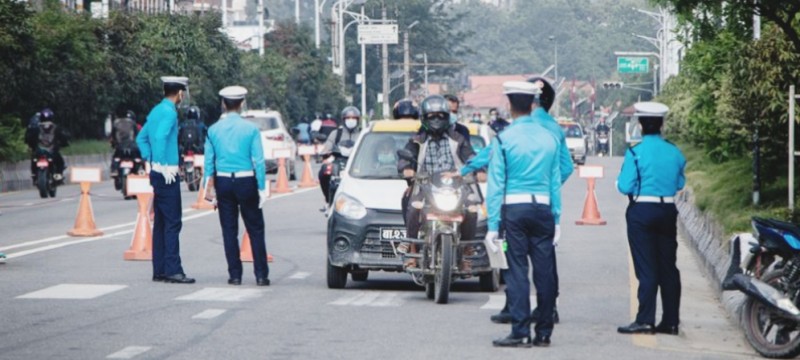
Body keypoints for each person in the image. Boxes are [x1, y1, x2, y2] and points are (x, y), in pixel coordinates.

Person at [490, 77, 573, 325]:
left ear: (510, 104)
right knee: (544, 269)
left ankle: (520, 329)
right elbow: (557, 176)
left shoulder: (503, 138)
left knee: (516, 269)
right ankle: (546, 328)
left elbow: (496, 185)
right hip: (544, 209)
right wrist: (556, 217)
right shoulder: (551, 137)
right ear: (534, 104)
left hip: (514, 210)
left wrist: (494, 224)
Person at [616, 102, 686, 336]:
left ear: (640, 125)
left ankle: (645, 320)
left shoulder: (635, 152)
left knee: (646, 268)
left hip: (641, 211)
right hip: (667, 211)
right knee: (668, 267)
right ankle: (671, 321)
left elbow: (625, 185)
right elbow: (679, 184)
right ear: (662, 124)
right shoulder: (674, 151)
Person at [397, 95, 477, 269]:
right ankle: (412, 248)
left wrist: (476, 169)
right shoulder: (417, 139)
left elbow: (470, 156)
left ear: (447, 117)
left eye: (440, 115)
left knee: (472, 206)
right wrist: (406, 169)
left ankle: (466, 250)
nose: (436, 120)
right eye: (432, 116)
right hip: (425, 184)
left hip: (454, 185)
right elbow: (405, 156)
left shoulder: (458, 138)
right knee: (413, 205)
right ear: (424, 118)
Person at [203, 86, 270, 286]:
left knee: (229, 230)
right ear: (242, 104)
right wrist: (261, 187)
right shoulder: (250, 129)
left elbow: (209, 162)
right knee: (255, 228)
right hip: (246, 180)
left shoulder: (213, 130)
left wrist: (208, 187)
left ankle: (235, 275)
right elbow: (258, 160)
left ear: (223, 104)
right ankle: (261, 275)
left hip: (223, 181)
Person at [136, 76, 195, 284]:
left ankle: (160, 270)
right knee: (172, 223)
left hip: (157, 172)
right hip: (167, 173)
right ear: (179, 93)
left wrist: (149, 160)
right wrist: (162, 164)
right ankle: (173, 270)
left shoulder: (155, 111)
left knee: (161, 222)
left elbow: (141, 138)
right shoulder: (169, 113)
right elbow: (160, 137)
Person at [318, 106, 360, 210]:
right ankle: (328, 199)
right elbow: (327, 146)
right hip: (338, 162)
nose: (351, 121)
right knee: (324, 171)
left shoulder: (361, 134)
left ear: (357, 120)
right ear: (343, 119)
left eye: (353, 118)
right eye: (348, 118)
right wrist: (324, 153)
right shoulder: (336, 133)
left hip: (358, 164)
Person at [25, 108, 69, 184]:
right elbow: (63, 138)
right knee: (60, 163)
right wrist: (64, 144)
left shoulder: (35, 128)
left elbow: (29, 138)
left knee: (34, 160)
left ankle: (35, 176)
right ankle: (58, 177)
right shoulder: (56, 128)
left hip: (39, 152)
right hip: (52, 152)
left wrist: (31, 146)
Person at [109, 108, 140, 180]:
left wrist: (113, 143)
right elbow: (137, 135)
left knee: (115, 158)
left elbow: (113, 136)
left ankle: (114, 170)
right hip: (132, 147)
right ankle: (140, 170)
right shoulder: (132, 123)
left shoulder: (116, 123)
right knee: (138, 158)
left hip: (120, 147)